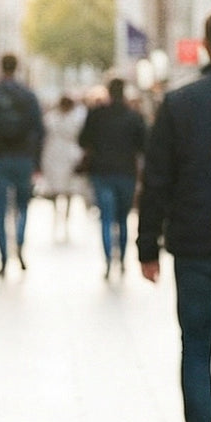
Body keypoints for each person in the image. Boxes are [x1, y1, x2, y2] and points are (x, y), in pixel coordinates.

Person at [137, 7, 211, 422]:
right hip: (195, 242)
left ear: (206, 46)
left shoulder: (179, 104)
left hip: (195, 246)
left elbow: (158, 180)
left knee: (196, 347)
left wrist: (147, 245)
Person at [0, 52, 44, 275]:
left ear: (0, 67)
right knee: (23, 205)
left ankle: (3, 256)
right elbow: (39, 130)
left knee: (1, 209)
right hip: (23, 158)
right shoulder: (28, 96)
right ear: (17, 68)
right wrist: (36, 159)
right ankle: (20, 244)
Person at [79, 77, 146, 279]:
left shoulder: (97, 114)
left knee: (106, 218)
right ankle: (123, 258)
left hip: (101, 172)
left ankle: (108, 259)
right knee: (122, 218)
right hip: (125, 172)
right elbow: (143, 145)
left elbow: (83, 140)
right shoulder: (134, 116)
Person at [39, 92, 87, 240]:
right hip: (65, 156)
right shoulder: (76, 119)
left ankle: (60, 219)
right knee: (65, 192)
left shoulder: (52, 118)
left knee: (62, 191)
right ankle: (62, 219)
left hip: (57, 156)